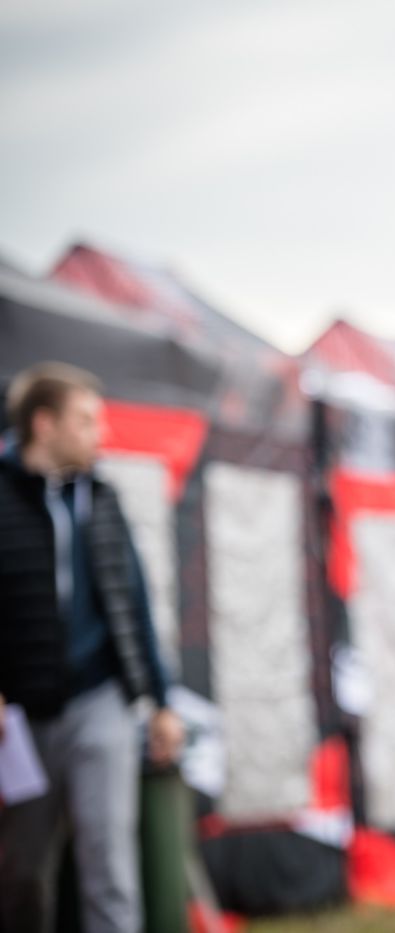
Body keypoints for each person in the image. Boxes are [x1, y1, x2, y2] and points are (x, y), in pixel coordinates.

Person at [0, 361, 185, 933]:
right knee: (21, 872)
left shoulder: (102, 499)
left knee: (110, 866)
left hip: (99, 700)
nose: (99, 434)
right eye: (85, 420)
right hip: (20, 719)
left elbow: (135, 602)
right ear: (44, 423)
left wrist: (161, 700)